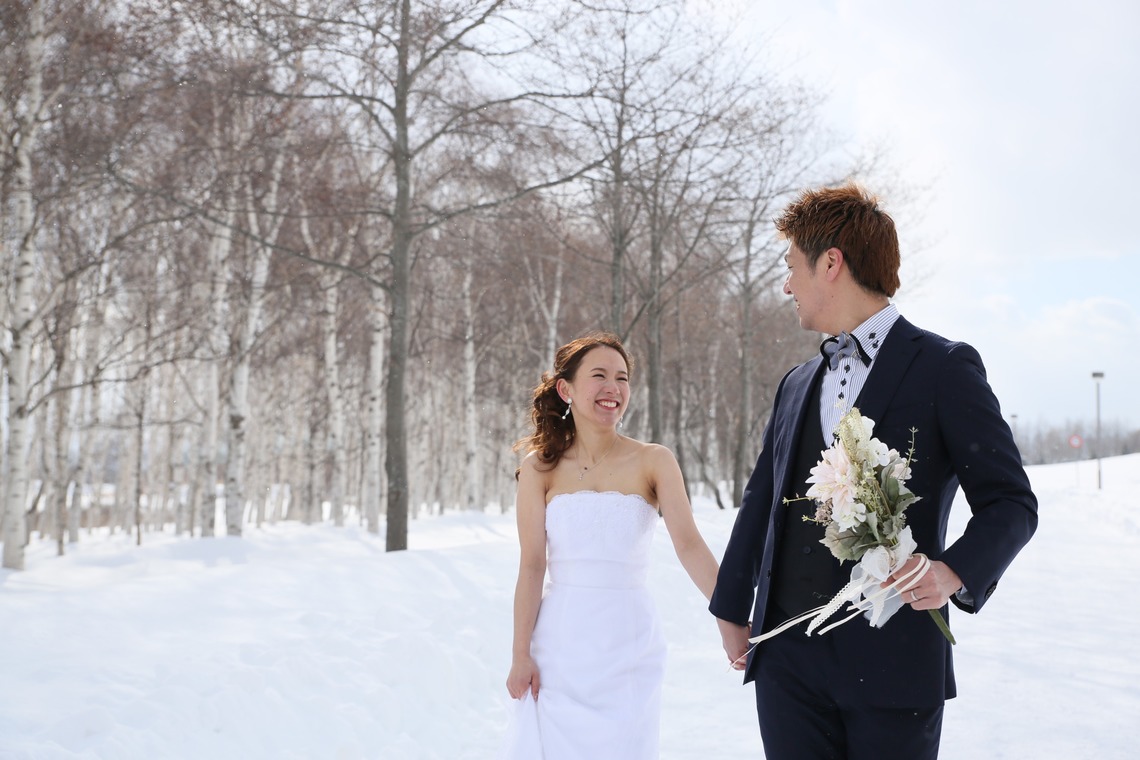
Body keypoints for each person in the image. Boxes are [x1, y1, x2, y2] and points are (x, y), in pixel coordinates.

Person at [709, 184, 1038, 759]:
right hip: (789, 662)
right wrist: (732, 608)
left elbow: (1011, 501)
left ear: (830, 263)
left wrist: (953, 571)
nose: (786, 284)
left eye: (792, 267)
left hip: (896, 663)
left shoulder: (944, 367)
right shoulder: (795, 384)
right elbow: (761, 500)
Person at [503, 332, 719, 760]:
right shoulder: (539, 468)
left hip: (629, 641)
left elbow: (690, 545)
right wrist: (520, 654)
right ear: (566, 389)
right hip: (560, 646)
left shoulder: (654, 460)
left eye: (622, 378)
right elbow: (531, 566)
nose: (613, 388)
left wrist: (733, 615)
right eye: (599, 375)